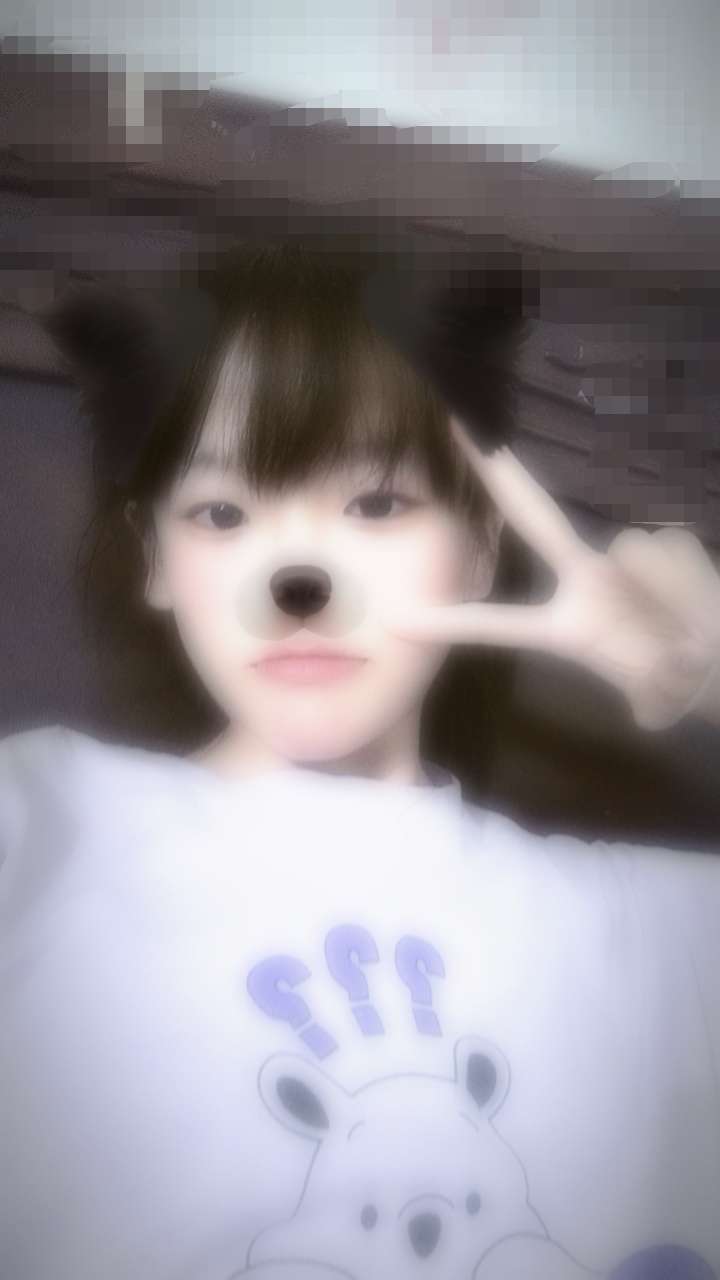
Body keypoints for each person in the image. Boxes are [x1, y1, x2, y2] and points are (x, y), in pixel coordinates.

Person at [0, 239, 719, 1280]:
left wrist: (713, 674)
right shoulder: (37, 825)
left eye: (377, 503)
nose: (300, 578)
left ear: (478, 547)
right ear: (155, 559)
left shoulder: (651, 931)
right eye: (221, 511)